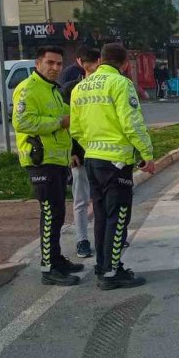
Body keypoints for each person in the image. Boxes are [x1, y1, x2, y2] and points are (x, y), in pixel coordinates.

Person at [71, 43, 155, 290]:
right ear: (125, 63)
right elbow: (132, 123)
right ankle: (112, 272)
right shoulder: (121, 84)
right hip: (116, 162)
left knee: (101, 216)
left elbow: (75, 129)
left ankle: (102, 265)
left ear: (100, 60)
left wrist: (92, 147)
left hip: (93, 160)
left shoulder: (80, 88)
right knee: (118, 217)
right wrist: (146, 154)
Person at [12, 46, 86, 286]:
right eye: (50, 63)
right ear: (38, 64)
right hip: (40, 161)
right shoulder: (28, 89)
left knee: (57, 213)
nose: (55, 68)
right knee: (49, 214)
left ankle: (55, 258)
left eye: (58, 64)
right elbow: (22, 121)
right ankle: (48, 268)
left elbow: (69, 117)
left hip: (56, 161)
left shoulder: (53, 90)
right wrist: (58, 122)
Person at [60, 46, 101, 259]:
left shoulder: (106, 87)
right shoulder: (70, 89)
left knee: (102, 199)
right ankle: (82, 240)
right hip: (81, 155)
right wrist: (71, 152)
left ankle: (107, 237)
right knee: (81, 200)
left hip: (103, 153)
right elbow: (69, 123)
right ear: (81, 64)